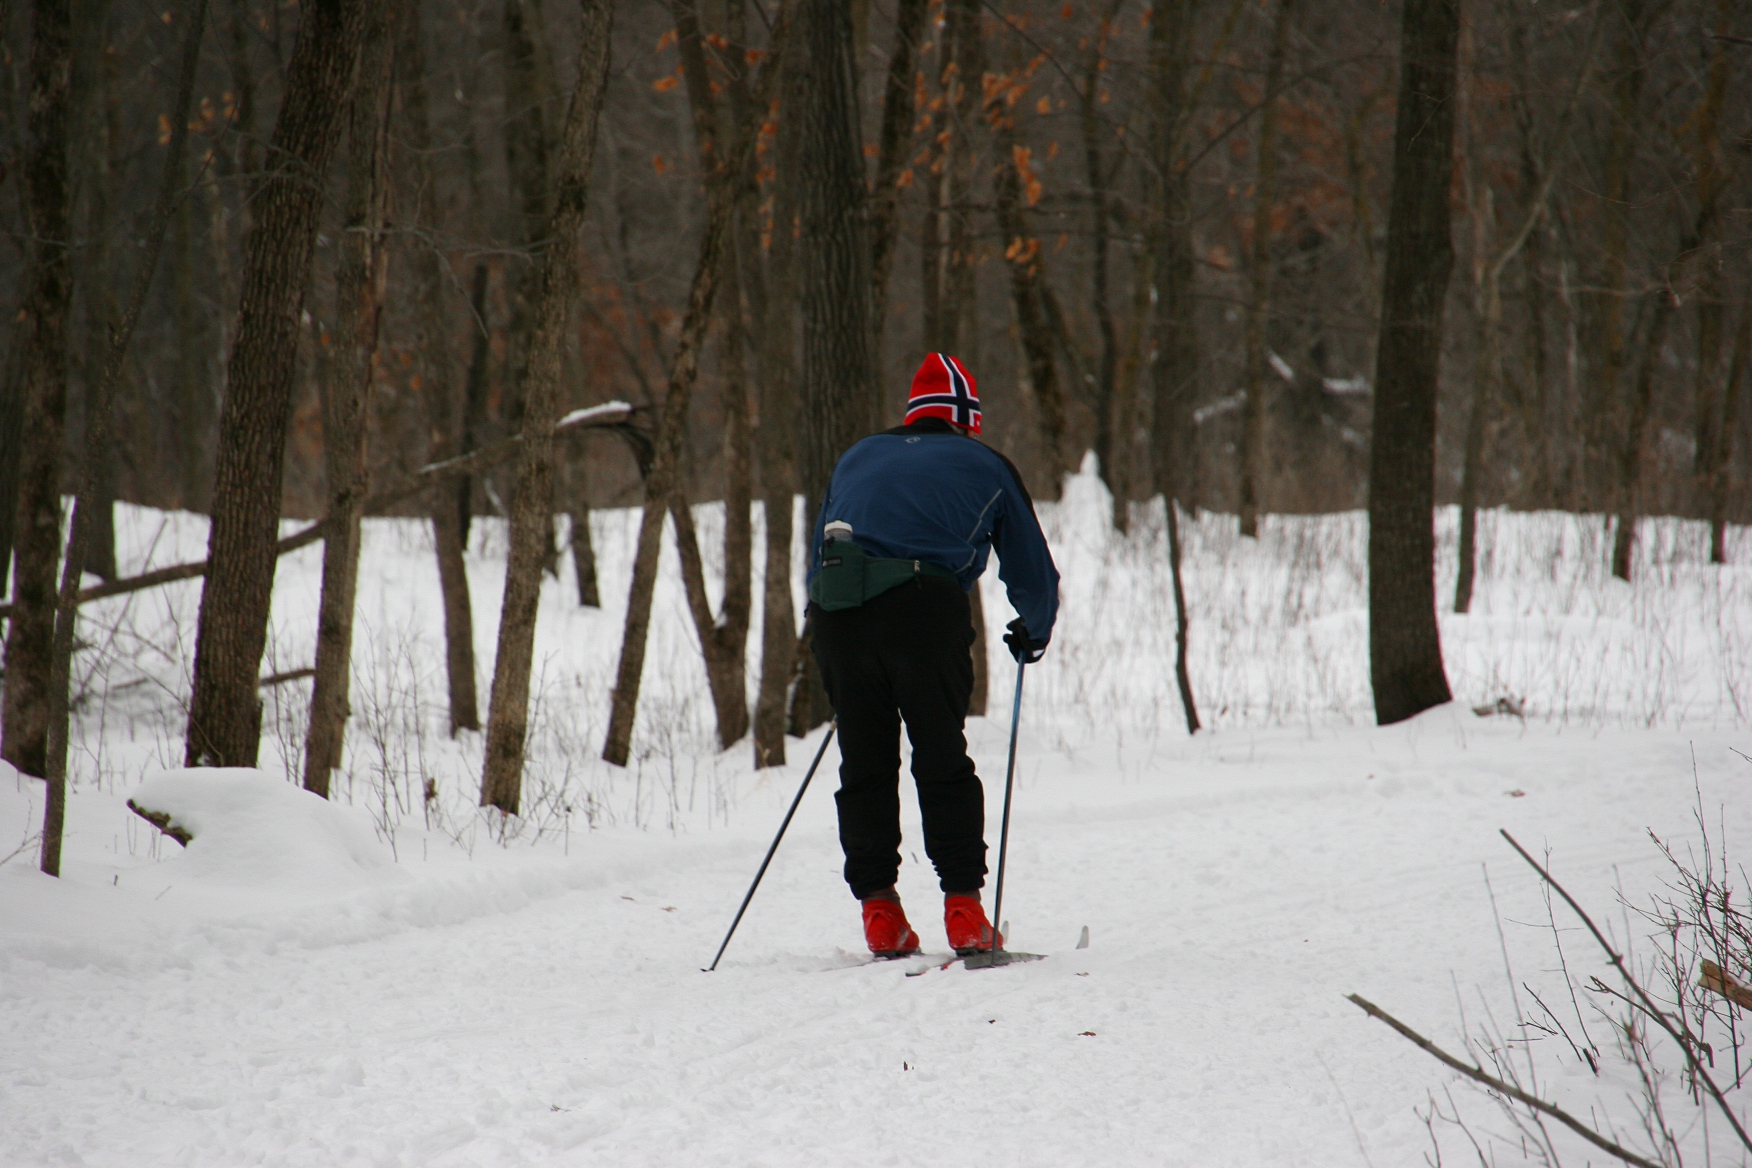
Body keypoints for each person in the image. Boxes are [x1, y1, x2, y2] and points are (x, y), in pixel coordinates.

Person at [806, 353, 1059, 958]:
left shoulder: (856, 456)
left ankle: (880, 914)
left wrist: (828, 632)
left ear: (914, 412)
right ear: (966, 419)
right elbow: (1031, 568)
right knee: (941, 756)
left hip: (839, 615)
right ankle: (964, 912)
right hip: (924, 610)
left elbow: (818, 551)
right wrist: (1034, 628)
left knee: (864, 764)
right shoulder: (984, 463)